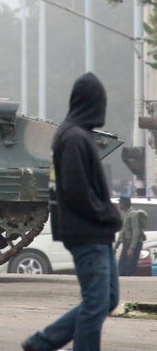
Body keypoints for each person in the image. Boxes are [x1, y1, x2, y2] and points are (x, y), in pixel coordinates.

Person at [22, 73, 122, 351]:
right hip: (87, 232)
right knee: (96, 303)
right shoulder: (75, 137)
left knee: (107, 299)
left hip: (95, 231)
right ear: (92, 103)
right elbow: (77, 191)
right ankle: (44, 344)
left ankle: (42, 344)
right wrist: (108, 215)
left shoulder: (78, 134)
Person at [116, 195, 146, 276]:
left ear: (124, 204)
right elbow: (122, 232)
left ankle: (132, 285)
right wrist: (116, 246)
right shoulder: (125, 214)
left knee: (130, 268)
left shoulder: (133, 215)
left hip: (134, 245)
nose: (119, 205)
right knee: (121, 267)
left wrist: (132, 248)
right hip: (126, 244)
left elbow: (136, 232)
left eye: (120, 203)